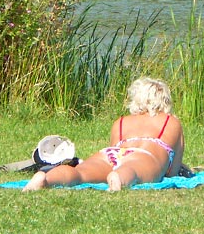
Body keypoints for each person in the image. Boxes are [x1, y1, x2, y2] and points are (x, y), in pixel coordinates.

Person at [24, 77, 184, 192]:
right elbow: (172, 170)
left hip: (111, 154)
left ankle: (45, 179)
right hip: (143, 155)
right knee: (132, 170)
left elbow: (116, 153)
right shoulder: (171, 122)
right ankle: (119, 179)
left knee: (80, 173)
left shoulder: (121, 122)